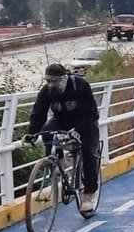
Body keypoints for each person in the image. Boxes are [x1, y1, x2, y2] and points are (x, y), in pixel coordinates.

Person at [23, 62, 101, 210]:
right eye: (48, 81)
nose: (51, 85)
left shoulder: (80, 85)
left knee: (88, 152)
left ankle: (89, 194)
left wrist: (78, 130)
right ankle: (57, 161)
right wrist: (32, 133)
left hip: (85, 121)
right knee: (46, 132)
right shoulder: (47, 91)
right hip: (62, 120)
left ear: (64, 78)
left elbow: (91, 112)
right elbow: (38, 112)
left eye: (54, 81)